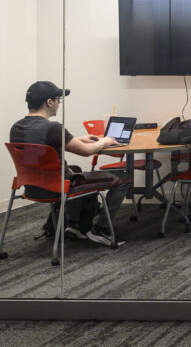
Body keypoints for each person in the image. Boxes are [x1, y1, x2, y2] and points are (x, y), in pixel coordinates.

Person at [9, 81, 130, 246]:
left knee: (76, 170)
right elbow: (87, 152)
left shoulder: (17, 127)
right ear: (49, 102)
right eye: (58, 99)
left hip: (32, 186)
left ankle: (75, 225)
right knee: (124, 178)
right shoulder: (52, 127)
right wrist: (105, 141)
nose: (59, 103)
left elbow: (42, 146)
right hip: (58, 187)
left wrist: (78, 139)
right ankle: (102, 230)